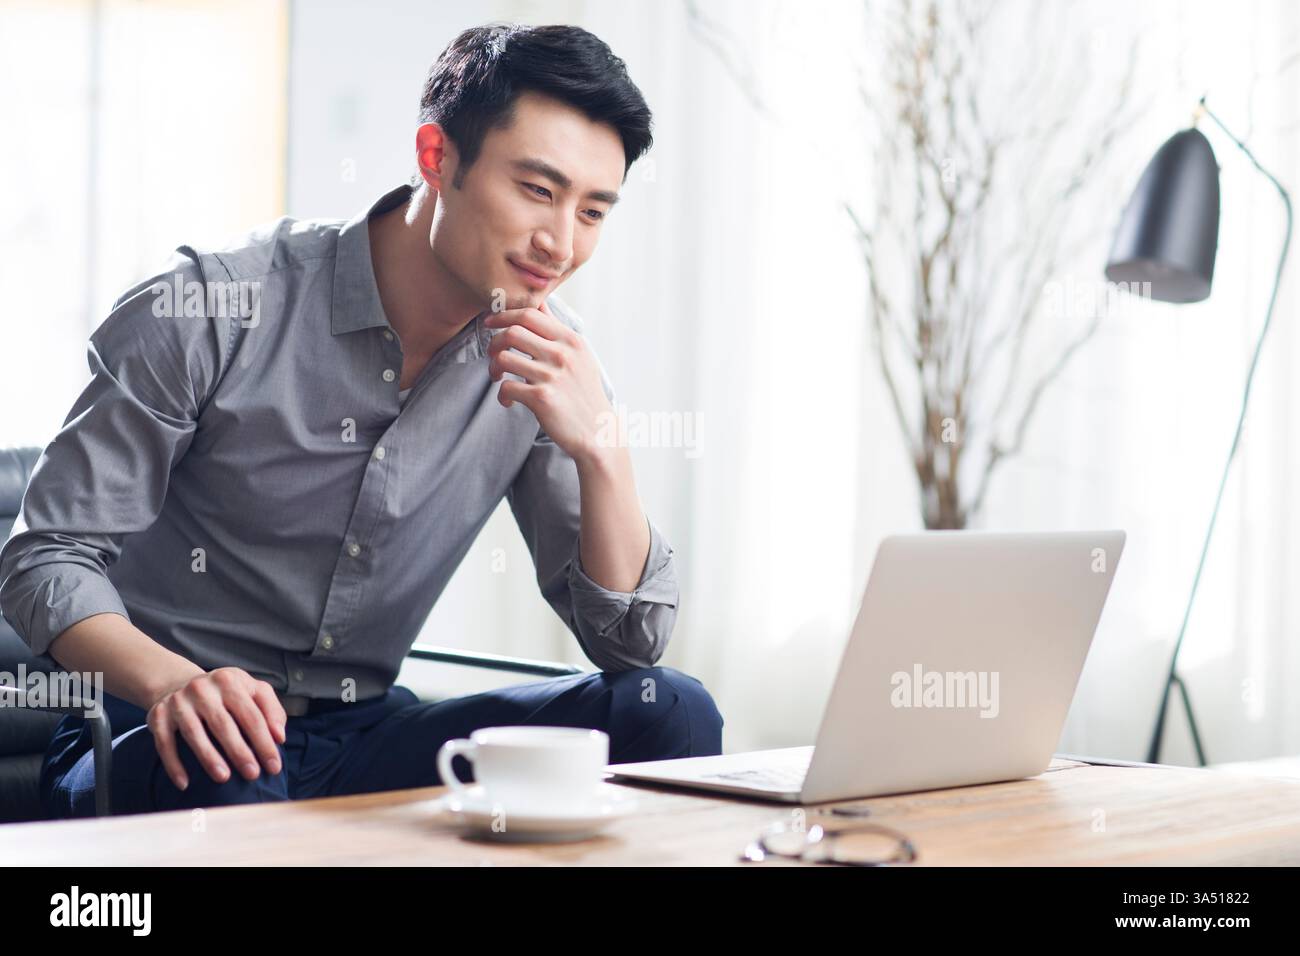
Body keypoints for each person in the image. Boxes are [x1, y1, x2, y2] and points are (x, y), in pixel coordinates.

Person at [0, 22, 722, 820]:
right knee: (231, 760)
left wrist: (604, 450)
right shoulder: (213, 308)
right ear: (436, 156)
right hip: (158, 730)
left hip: (366, 736)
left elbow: (630, 647)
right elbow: (44, 558)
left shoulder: (553, 366)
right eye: (538, 190)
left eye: (593, 211)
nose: (560, 244)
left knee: (671, 708)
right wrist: (178, 681)